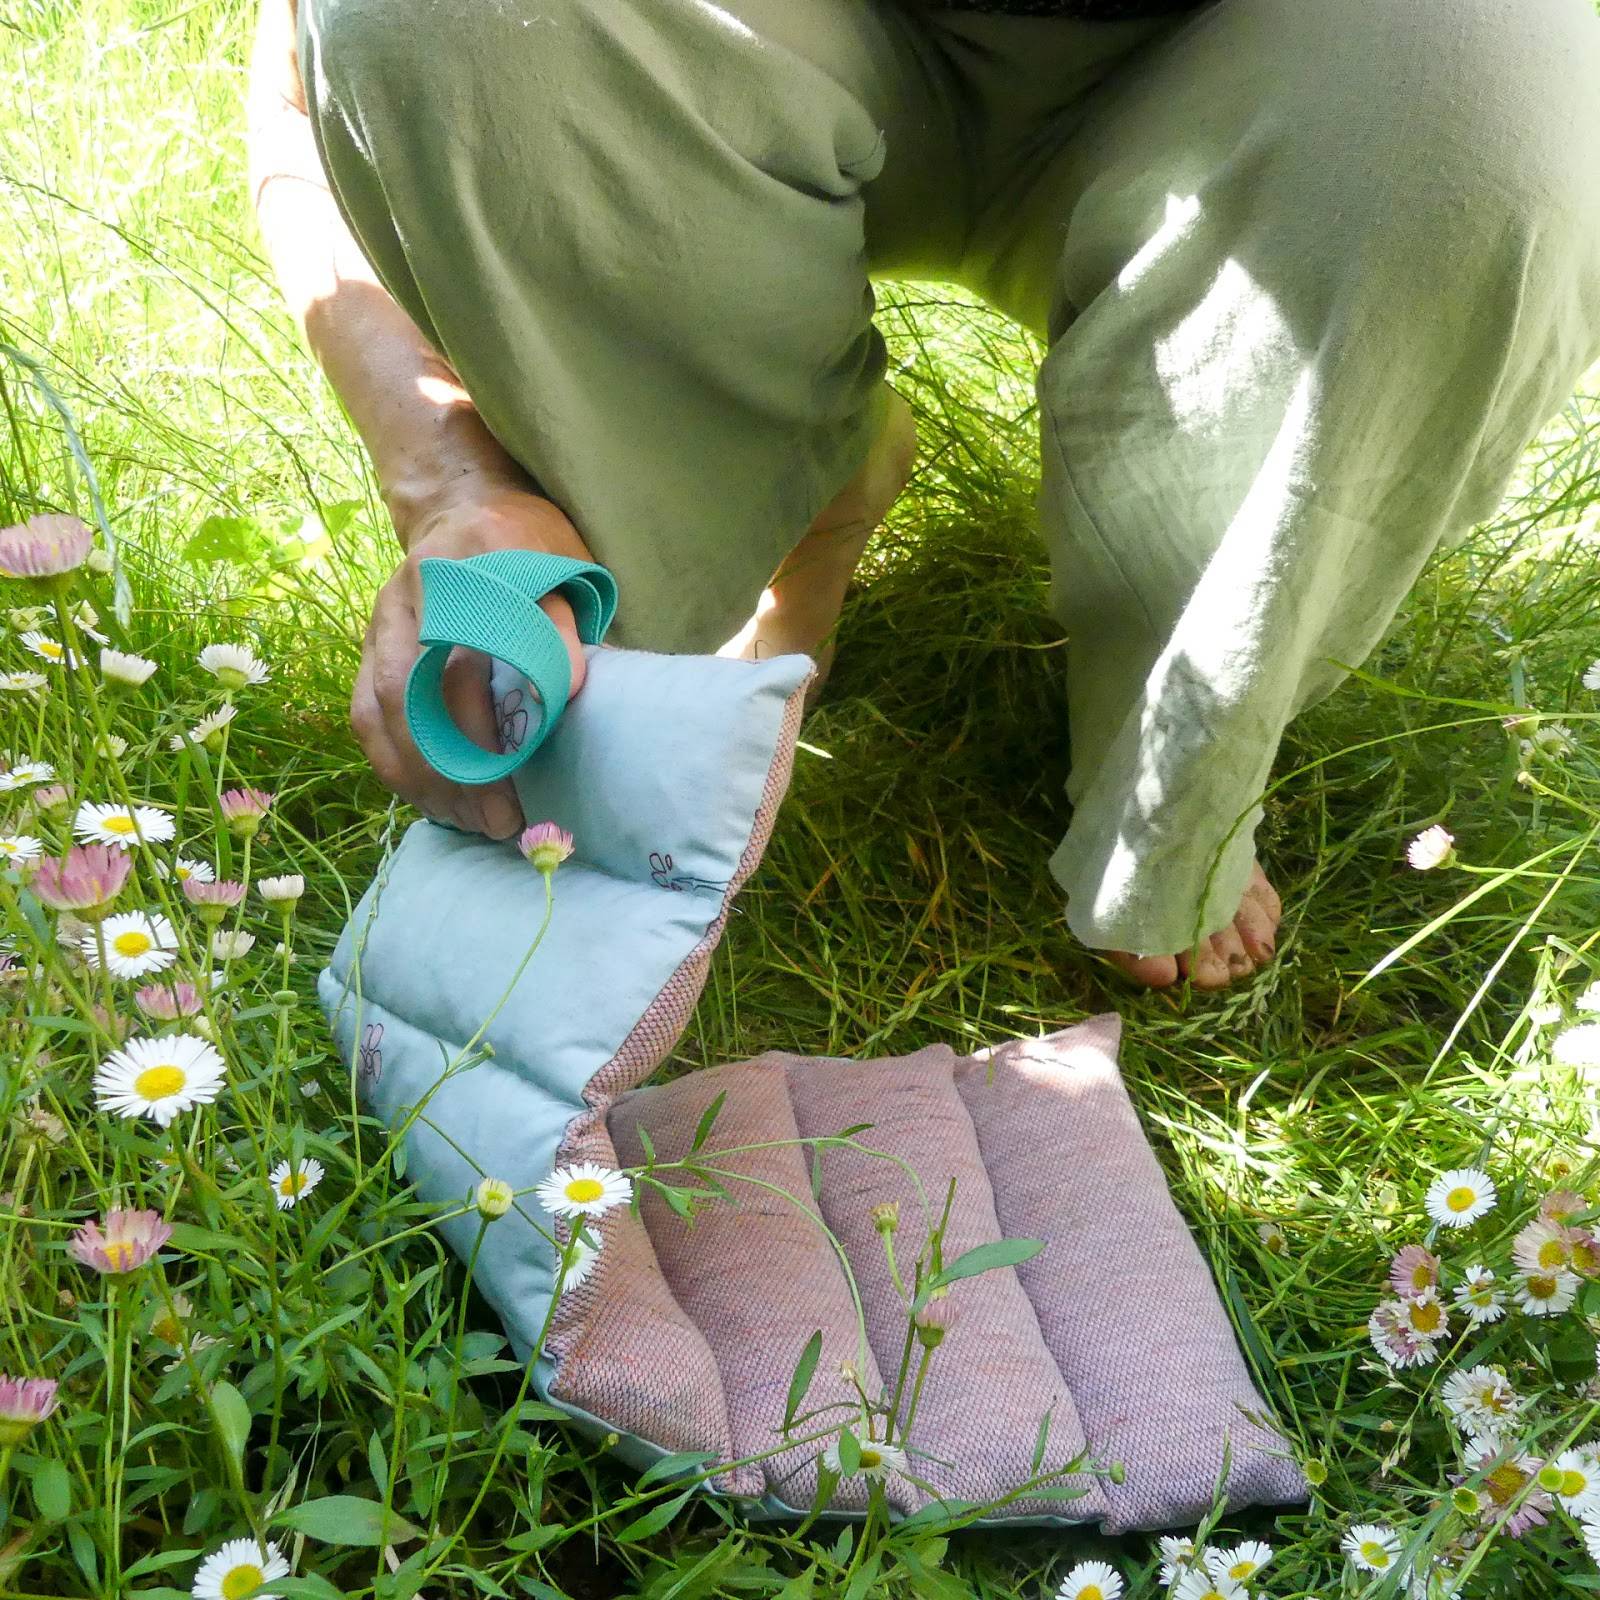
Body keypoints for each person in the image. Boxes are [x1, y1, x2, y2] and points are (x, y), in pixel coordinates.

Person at [249, 0, 1600, 990]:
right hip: (758, 41)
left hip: (1272, 56)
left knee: (1481, 130)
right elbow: (318, 42)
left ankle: (1175, 762)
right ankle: (793, 489)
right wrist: (457, 486)